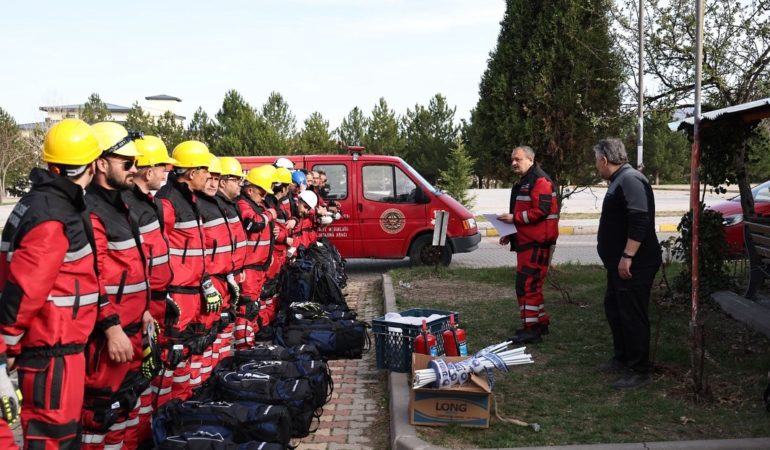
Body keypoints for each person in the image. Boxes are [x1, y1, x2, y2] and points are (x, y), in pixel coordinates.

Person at [0, 118, 101, 449]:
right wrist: (8, 345)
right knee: (53, 438)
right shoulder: (55, 213)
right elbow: (27, 287)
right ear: (91, 165)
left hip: (55, 350)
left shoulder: (39, 202)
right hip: (52, 353)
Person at [81, 122, 154, 450]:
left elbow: (132, 268)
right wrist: (111, 329)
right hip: (110, 338)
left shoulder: (121, 205)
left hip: (134, 329)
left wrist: (146, 310)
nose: (134, 169)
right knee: (103, 416)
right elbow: (92, 279)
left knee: (129, 406)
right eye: (127, 163)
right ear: (100, 163)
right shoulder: (92, 212)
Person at [594, 138, 662, 389]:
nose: (596, 165)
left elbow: (640, 220)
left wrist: (627, 256)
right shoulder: (619, 179)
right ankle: (622, 357)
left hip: (635, 264)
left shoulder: (630, 179)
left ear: (604, 159)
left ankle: (638, 370)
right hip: (620, 264)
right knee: (615, 309)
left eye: (596, 160)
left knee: (633, 315)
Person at [122, 135, 177, 429]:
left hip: (155, 301)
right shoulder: (129, 206)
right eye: (162, 167)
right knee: (138, 377)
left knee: (154, 368)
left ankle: (153, 427)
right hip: (140, 308)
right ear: (147, 170)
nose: (166, 173)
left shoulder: (150, 204)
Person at [155, 141, 213, 401]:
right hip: (177, 292)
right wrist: (164, 291)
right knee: (172, 352)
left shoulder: (189, 199)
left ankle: (183, 402)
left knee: (188, 348)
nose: (208, 176)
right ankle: (167, 408)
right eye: (205, 170)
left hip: (192, 288)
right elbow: (157, 249)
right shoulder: (168, 201)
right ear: (191, 172)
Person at [497, 145, 559, 344]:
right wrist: (510, 233)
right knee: (532, 285)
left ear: (531, 159)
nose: (514, 163)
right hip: (528, 242)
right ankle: (540, 323)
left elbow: (541, 211)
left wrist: (514, 218)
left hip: (536, 244)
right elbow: (527, 213)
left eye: (518, 159)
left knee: (526, 286)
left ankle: (531, 330)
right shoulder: (526, 181)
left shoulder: (539, 180)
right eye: (512, 159)